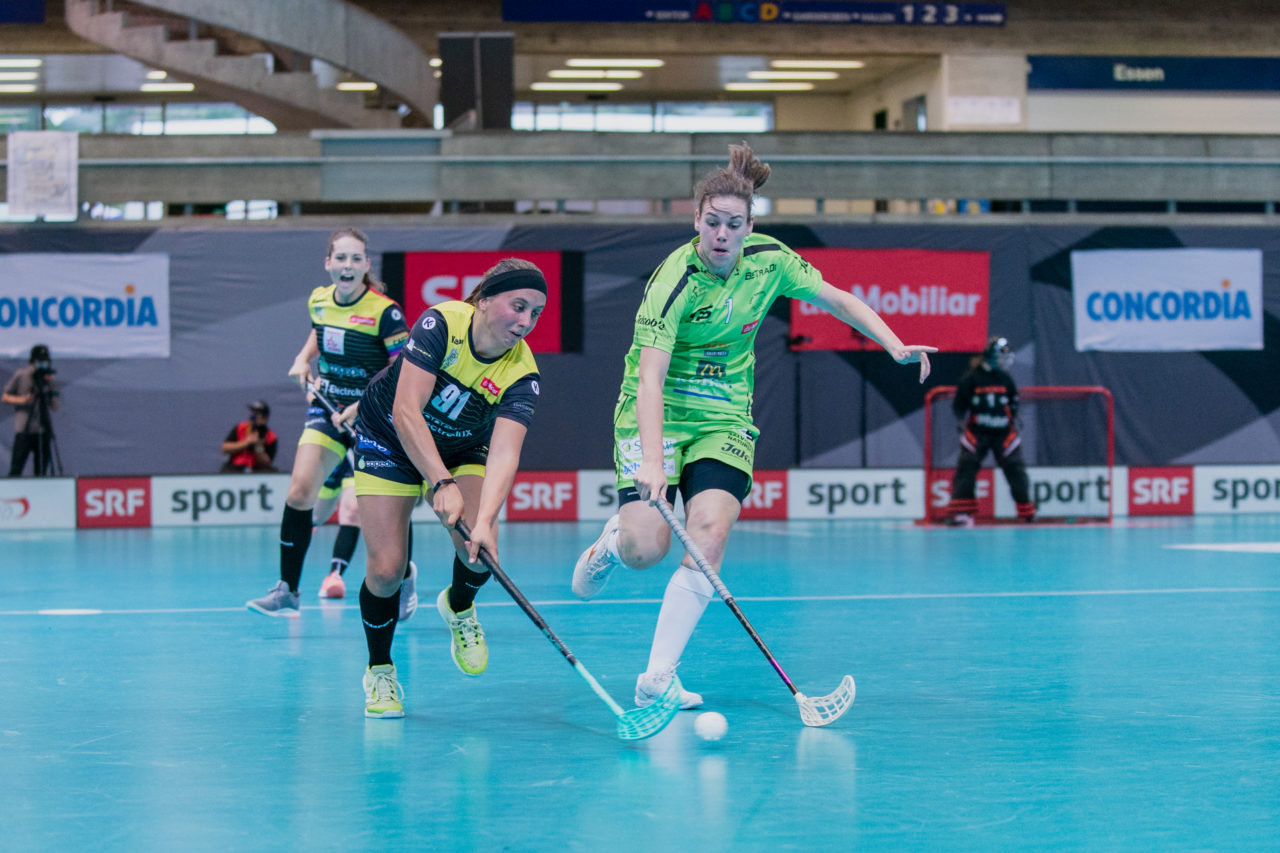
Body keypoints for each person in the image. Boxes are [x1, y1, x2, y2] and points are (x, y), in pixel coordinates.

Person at [571, 142, 936, 711]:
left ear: (749, 226)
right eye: (711, 222)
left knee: (709, 534)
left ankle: (657, 678)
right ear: (696, 222)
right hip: (660, 413)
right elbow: (648, 381)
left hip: (724, 416)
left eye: (733, 224)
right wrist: (649, 460)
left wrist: (892, 343)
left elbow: (836, 299)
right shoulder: (674, 281)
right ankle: (612, 544)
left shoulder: (770, 259)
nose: (721, 234)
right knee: (648, 549)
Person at [352, 258, 546, 719]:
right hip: (390, 437)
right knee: (386, 570)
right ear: (483, 299)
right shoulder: (442, 323)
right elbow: (406, 411)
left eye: (535, 313)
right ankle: (380, 670)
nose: (525, 322)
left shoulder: (523, 373)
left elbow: (504, 453)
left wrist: (485, 519)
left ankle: (458, 606)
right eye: (517, 306)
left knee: (482, 550)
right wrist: (439, 482)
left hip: (463, 447)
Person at [247, 228, 411, 619]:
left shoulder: (385, 313)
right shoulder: (319, 300)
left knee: (386, 511)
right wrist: (304, 359)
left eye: (356, 259)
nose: (348, 266)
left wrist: (363, 403)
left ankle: (405, 577)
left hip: (373, 418)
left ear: (366, 266)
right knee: (300, 492)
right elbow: (321, 332)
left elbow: (404, 370)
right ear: (328, 263)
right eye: (341, 258)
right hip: (327, 408)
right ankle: (288, 591)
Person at [944, 335, 1036, 526]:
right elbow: (959, 406)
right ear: (990, 355)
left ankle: (1026, 512)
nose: (1006, 359)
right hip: (978, 432)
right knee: (967, 466)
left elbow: (1013, 403)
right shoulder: (971, 378)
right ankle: (962, 513)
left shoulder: (1006, 379)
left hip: (1003, 433)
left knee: (1016, 469)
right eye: (1002, 355)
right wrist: (961, 421)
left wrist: (1016, 416)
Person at [4, 344, 60, 477]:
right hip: (24, 429)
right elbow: (5, 397)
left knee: (41, 470)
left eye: (44, 362)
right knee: (16, 469)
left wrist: (52, 391)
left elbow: (55, 407)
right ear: (32, 362)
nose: (42, 365)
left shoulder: (49, 379)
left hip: (42, 429)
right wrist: (23, 400)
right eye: (39, 362)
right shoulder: (21, 375)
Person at [220, 400, 278, 472]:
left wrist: (258, 446)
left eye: (257, 413)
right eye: (252, 412)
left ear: (265, 418)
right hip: (236, 467)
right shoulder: (240, 427)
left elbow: (267, 463)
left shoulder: (271, 436)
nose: (253, 416)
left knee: (271, 472)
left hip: (256, 469)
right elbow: (224, 448)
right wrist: (247, 442)